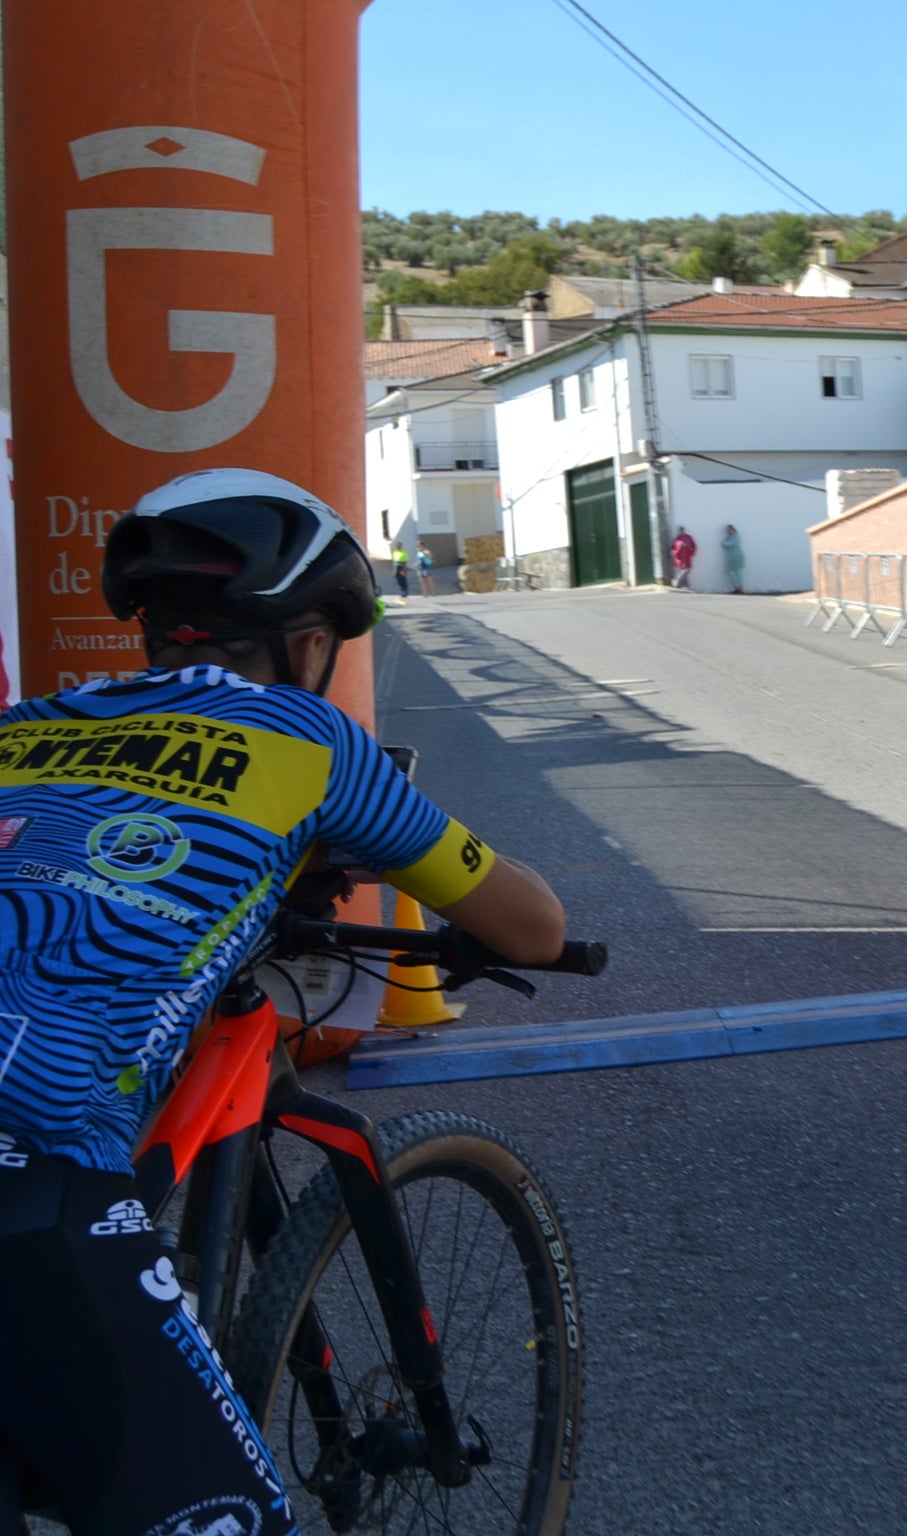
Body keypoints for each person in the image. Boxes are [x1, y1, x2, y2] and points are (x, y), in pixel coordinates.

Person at [0, 467, 567, 1535]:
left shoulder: (19, 731)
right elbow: (533, 926)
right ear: (311, 647)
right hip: (29, 1184)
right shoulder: (311, 743)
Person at [669, 525, 697, 590]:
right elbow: (672, 549)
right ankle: (686, 586)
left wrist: (691, 552)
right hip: (679, 559)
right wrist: (675, 553)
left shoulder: (689, 538)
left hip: (687, 558)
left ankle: (676, 582)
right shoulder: (677, 539)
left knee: (686, 571)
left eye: (683, 530)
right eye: (680, 530)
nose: (682, 531)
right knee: (683, 573)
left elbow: (694, 546)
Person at [721, 524, 746, 594]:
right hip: (731, 558)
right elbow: (723, 544)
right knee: (731, 573)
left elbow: (727, 544)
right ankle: (736, 588)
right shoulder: (729, 536)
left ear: (732, 529)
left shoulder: (736, 536)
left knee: (738, 573)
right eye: (727, 530)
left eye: (729, 529)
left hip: (737, 556)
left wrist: (725, 544)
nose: (727, 531)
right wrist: (725, 544)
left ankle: (740, 588)